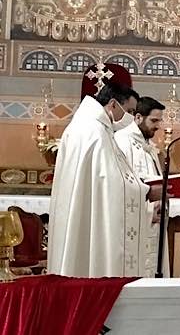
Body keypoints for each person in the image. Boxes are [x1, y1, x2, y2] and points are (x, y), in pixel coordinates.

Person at [48, 81, 163, 277]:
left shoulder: (87, 125)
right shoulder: (96, 131)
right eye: (129, 111)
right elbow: (111, 181)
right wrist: (147, 191)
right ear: (113, 104)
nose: (130, 117)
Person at [115, 96, 168, 276]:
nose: (158, 126)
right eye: (154, 120)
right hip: (136, 219)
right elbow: (121, 182)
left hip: (154, 218)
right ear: (138, 117)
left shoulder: (149, 145)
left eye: (159, 121)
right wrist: (147, 210)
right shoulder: (122, 141)